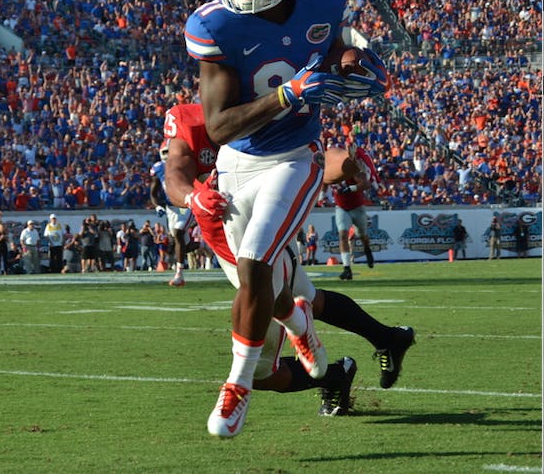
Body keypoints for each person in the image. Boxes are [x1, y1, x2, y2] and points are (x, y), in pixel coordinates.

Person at [182, 0, 389, 438]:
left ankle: (238, 385)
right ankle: (303, 331)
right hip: (237, 164)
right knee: (268, 290)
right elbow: (221, 126)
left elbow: (339, 43)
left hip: (295, 157)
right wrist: (287, 94)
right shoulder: (215, 25)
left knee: (255, 263)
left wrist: (353, 60)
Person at [163, 101, 415, 428]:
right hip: (228, 246)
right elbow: (175, 174)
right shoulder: (191, 118)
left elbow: (316, 159)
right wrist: (191, 196)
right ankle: (384, 341)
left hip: (266, 236)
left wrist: (350, 164)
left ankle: (334, 372)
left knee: (261, 371)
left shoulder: (263, 112)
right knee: (307, 298)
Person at [330, 142, 381, 280]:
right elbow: (323, 181)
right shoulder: (329, 170)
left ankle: (367, 249)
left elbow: (366, 184)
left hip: (357, 207)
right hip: (341, 207)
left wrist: (350, 188)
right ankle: (347, 268)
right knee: (342, 235)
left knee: (362, 235)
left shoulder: (351, 168)